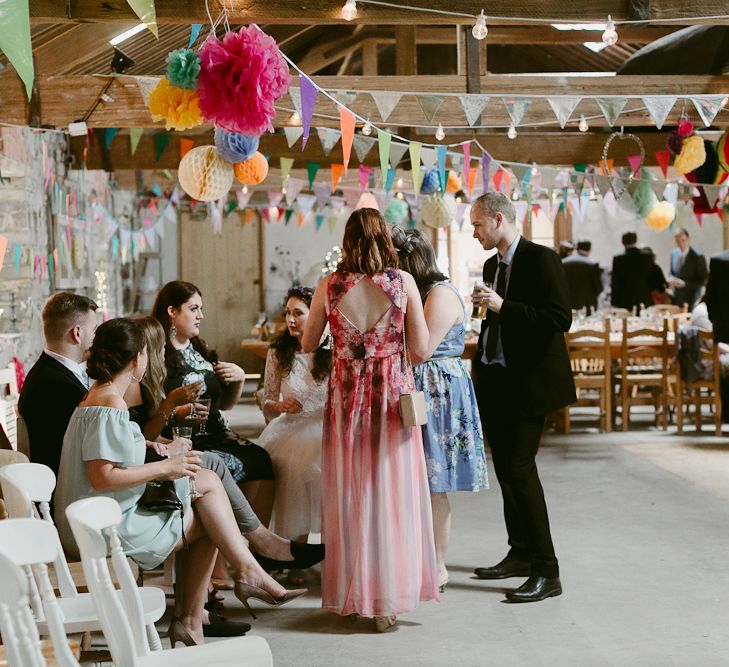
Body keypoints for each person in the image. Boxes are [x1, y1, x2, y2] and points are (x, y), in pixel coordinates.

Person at [54, 318, 306, 646]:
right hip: (105, 529)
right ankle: (211, 601)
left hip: (89, 518)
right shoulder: (111, 403)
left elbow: (104, 451)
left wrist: (154, 447)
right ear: (136, 359)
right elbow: (102, 477)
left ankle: (238, 579)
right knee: (208, 512)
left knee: (207, 483)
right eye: (147, 353)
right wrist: (166, 468)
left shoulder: (96, 397)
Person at [302, 208, 439, 632]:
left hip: (346, 399)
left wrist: (346, 339)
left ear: (347, 241)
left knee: (353, 492)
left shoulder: (330, 284)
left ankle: (357, 592)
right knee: (391, 493)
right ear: (386, 239)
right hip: (390, 398)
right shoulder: (404, 284)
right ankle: (387, 601)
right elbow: (421, 350)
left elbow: (308, 343)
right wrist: (385, 346)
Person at [123, 316, 325, 582]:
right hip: (151, 467)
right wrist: (170, 409)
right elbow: (135, 439)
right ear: (142, 353)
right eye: (160, 348)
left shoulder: (185, 358)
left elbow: (140, 436)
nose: (164, 353)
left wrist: (169, 432)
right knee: (213, 471)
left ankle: (253, 554)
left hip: (174, 445)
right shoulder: (129, 389)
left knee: (252, 459)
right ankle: (256, 552)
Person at [470, 192, 575, 603]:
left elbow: (559, 318)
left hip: (531, 383)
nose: (474, 231)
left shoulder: (542, 259)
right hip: (497, 378)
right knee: (506, 472)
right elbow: (495, 319)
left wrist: (503, 306)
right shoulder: (491, 264)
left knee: (520, 468)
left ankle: (547, 571)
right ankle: (520, 553)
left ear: (499, 219)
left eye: (478, 224)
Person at [391, 227, 488, 592]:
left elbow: (422, 350)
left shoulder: (440, 294)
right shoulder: (417, 293)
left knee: (434, 483)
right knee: (411, 478)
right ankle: (413, 557)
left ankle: (439, 565)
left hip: (439, 390)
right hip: (416, 387)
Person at [152, 281, 274, 523]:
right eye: (194, 309)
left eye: (201, 309)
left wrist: (238, 379)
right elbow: (152, 407)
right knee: (229, 465)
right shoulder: (157, 354)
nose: (201, 316)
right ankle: (236, 540)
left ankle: (255, 544)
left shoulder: (199, 347)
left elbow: (224, 405)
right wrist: (178, 411)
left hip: (217, 431)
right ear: (172, 311)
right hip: (183, 436)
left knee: (261, 459)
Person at [253, 286, 331, 585]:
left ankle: (331, 552)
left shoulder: (333, 349)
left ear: (316, 315)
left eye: (298, 312)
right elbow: (267, 398)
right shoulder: (278, 351)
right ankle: (292, 552)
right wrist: (278, 405)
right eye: (287, 313)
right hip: (289, 426)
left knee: (321, 467)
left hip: (324, 426)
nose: (291, 319)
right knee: (291, 467)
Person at [18, 293, 97, 476]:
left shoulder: (48, 371)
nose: (96, 338)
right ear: (77, 333)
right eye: (94, 329)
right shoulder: (57, 386)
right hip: (63, 486)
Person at [705, 250, 729, 420]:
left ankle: (727, 413)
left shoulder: (718, 261)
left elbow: (710, 297)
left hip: (725, 328)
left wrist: (717, 322)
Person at [610, 231, 653, 313]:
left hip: (625, 298)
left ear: (622, 242)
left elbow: (615, 281)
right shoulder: (647, 256)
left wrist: (614, 301)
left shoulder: (618, 259)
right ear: (636, 241)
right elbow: (651, 277)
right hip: (644, 296)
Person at [668, 228, 707, 310]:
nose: (681, 243)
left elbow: (702, 280)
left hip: (691, 296)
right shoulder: (673, 253)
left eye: (683, 240)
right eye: (678, 241)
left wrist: (685, 283)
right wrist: (672, 280)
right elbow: (671, 272)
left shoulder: (698, 256)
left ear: (688, 239)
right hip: (676, 295)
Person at [562, 240, 603, 311]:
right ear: (589, 249)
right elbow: (598, 286)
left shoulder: (563, 262)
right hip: (587, 302)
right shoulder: (593, 264)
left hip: (568, 300)